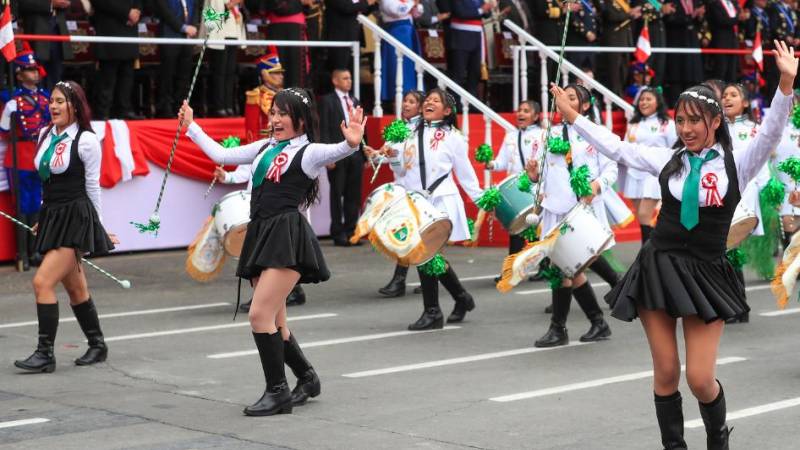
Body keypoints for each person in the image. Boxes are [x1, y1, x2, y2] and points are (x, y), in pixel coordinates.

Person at [548, 40, 796, 449]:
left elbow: (770, 133)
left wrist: (785, 82)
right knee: (665, 372)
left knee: (699, 378)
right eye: (680, 120)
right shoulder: (671, 159)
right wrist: (574, 117)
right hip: (659, 267)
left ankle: (718, 440)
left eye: (694, 120)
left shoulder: (739, 162)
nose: (685, 128)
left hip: (706, 271)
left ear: (715, 121)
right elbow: (620, 149)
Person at [180, 88, 366, 416]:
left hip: (286, 236)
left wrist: (351, 143)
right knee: (276, 320)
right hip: (262, 232)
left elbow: (335, 151)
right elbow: (222, 156)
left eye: (283, 114)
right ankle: (307, 378)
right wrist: (191, 127)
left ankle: (277, 392)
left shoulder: (307, 152)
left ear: (300, 119)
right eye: (273, 113)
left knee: (258, 315)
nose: (275, 119)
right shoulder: (266, 146)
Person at [13, 81, 118, 374]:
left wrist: (96, 228)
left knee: (42, 282)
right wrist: (44, 220)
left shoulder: (85, 140)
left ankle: (45, 353)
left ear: (75, 105)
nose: (54, 106)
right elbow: (48, 184)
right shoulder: (46, 135)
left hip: (77, 217)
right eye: (52, 101)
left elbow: (92, 187)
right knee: (75, 287)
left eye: (61, 101)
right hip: (54, 215)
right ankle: (97, 344)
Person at [374, 88, 482, 330]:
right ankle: (461, 298)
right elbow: (400, 169)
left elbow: (466, 174)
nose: (430, 103)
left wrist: (482, 200)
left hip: (441, 199)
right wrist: (389, 156)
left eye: (437, 101)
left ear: (447, 110)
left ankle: (433, 311)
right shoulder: (407, 131)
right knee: (428, 254)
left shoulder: (454, 137)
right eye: (428, 100)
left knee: (425, 253)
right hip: (416, 202)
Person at [524, 83, 615, 348]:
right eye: (560, 96)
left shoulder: (595, 134)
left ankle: (562, 327)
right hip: (555, 212)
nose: (562, 99)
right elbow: (536, 179)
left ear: (584, 106)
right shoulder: (544, 135)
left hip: (582, 211)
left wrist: (595, 187)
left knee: (564, 269)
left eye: (571, 97)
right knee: (566, 270)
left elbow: (610, 170)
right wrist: (532, 178)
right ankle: (596, 322)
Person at [0, 49, 52, 268]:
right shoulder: (11, 99)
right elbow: (3, 131)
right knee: (22, 207)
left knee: (38, 205)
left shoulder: (46, 97)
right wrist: (8, 112)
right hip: (19, 156)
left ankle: (35, 251)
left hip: (39, 155)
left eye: (35, 69)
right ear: (19, 74)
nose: (35, 73)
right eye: (29, 70)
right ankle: (22, 253)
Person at [375, 90, 425, 298]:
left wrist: (394, 158)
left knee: (419, 237)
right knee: (407, 235)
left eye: (411, 102)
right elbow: (393, 162)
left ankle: (403, 280)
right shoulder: (399, 128)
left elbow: (406, 163)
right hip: (403, 188)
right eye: (405, 100)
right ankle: (402, 280)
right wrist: (376, 155)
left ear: (421, 107)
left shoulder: (423, 130)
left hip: (420, 189)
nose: (406, 104)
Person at [487, 100, 544, 258]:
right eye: (519, 110)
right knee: (517, 229)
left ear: (536, 116)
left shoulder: (542, 135)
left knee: (538, 228)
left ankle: (545, 267)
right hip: (516, 189)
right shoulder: (510, 136)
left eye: (526, 111)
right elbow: (502, 162)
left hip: (535, 187)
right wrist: (490, 163)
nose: (521, 113)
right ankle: (511, 271)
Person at [623, 87, 677, 245]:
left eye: (648, 99)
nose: (644, 102)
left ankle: (647, 257)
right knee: (641, 219)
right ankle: (652, 252)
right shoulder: (633, 124)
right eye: (642, 99)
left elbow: (674, 149)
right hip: (635, 173)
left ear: (658, 102)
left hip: (654, 174)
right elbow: (626, 147)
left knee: (645, 214)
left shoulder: (667, 124)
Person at [319, 69, 365, 246]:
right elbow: (324, 128)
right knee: (337, 193)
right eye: (345, 78)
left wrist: (364, 151)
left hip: (355, 153)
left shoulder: (355, 101)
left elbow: (361, 127)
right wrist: (327, 155)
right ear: (335, 80)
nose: (349, 81)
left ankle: (352, 231)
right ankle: (338, 232)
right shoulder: (327, 101)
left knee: (353, 194)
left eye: (350, 78)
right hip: (337, 153)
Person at [90, 0, 144, 120]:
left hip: (129, 30)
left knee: (127, 76)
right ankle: (103, 113)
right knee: (107, 79)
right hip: (109, 30)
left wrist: (137, 11)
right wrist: (127, 12)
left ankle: (124, 110)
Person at [153, 0, 202, 118]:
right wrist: (183, 28)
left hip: (187, 39)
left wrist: (193, 26)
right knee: (167, 75)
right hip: (169, 36)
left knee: (184, 75)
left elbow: (195, 10)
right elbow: (166, 13)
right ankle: (165, 107)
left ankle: (181, 107)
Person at [201, 0, 247, 117]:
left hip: (234, 34)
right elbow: (215, 14)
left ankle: (229, 105)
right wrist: (231, 4)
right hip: (219, 35)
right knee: (219, 73)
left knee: (230, 72)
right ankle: (219, 106)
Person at [18, 0, 74, 92]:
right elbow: (23, 4)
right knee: (36, 76)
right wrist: (51, 4)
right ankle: (38, 104)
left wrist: (64, 3)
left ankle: (53, 104)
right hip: (37, 34)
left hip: (58, 34)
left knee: (56, 76)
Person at [245, 47, 285, 144]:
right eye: (277, 73)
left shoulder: (286, 94)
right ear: (265, 74)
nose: (281, 76)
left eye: (281, 73)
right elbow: (251, 128)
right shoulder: (256, 95)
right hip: (265, 144)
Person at [264, 0, 307, 88]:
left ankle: (295, 100)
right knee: (277, 69)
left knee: (295, 73)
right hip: (277, 29)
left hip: (296, 30)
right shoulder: (226, 11)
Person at [324, 0, 375, 71]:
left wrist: (374, 4)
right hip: (339, 39)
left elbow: (362, 10)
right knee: (341, 70)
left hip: (354, 37)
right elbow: (346, 7)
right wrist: (367, 2)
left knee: (354, 71)